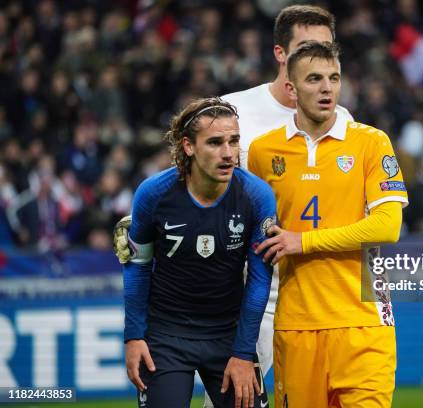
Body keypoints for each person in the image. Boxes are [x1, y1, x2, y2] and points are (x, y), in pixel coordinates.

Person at [114, 6, 353, 400]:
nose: (322, 60)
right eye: (309, 48)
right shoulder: (234, 110)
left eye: (329, 50)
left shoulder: (343, 121)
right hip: (243, 294)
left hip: (311, 290)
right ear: (281, 54)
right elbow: (181, 190)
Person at [248, 41, 408, 407]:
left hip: (365, 319)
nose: (327, 88)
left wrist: (302, 242)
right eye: (315, 79)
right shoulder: (262, 151)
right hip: (296, 323)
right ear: (291, 88)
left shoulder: (370, 142)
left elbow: (387, 227)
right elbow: (257, 237)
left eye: (334, 78)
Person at [122, 97, 275, 408]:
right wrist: (134, 335)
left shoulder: (256, 196)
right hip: (166, 336)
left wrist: (245, 352)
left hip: (229, 336)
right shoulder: (153, 194)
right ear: (188, 146)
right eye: (215, 142)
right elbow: (137, 266)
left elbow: (260, 280)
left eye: (234, 141)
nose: (229, 153)